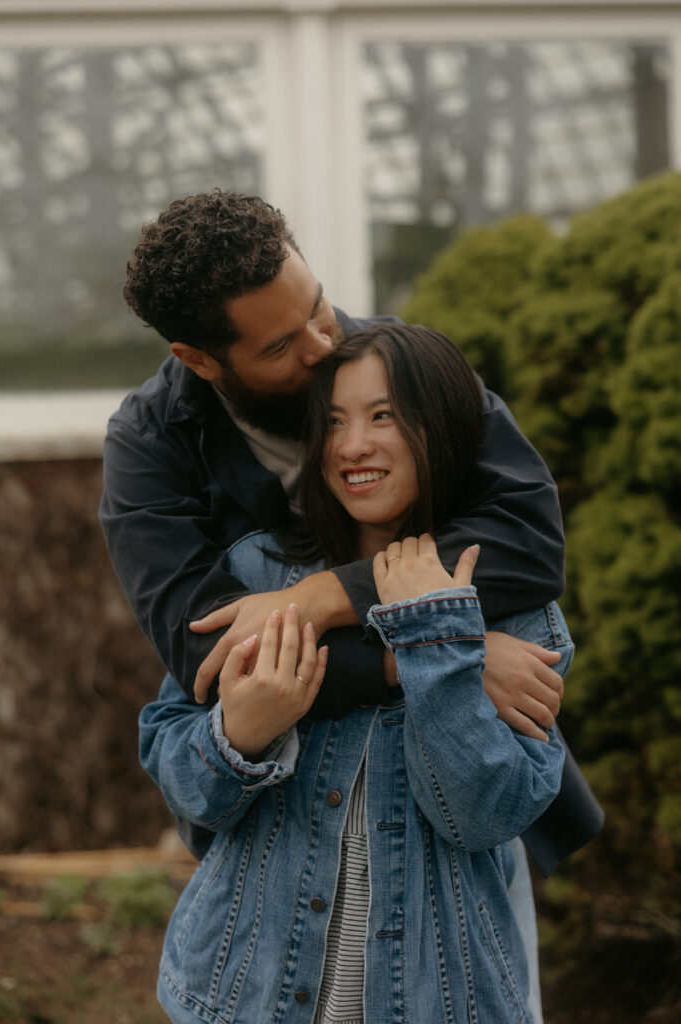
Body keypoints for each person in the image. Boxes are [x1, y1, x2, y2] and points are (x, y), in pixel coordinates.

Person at [99, 189, 603, 881]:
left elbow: (528, 535)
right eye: (280, 345)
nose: (324, 344)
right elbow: (213, 656)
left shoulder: (405, 366)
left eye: (317, 306)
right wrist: (439, 655)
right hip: (280, 830)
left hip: (454, 822)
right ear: (200, 360)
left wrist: (322, 598)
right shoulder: (147, 447)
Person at [138, 324, 572, 1023]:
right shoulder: (256, 573)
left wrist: (438, 639)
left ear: (446, 428)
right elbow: (184, 784)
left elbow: (484, 815)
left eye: (382, 417)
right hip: (240, 994)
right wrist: (237, 738)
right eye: (333, 422)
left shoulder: (515, 611)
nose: (351, 446)